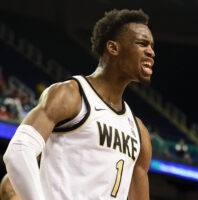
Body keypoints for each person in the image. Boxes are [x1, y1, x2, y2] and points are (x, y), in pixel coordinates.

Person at [3, 9, 155, 200]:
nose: (151, 51)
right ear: (113, 48)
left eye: (151, 46)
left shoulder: (140, 132)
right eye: (142, 44)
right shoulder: (71, 95)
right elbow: (19, 151)